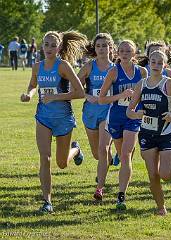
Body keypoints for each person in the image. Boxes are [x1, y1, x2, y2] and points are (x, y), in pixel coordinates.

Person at [20, 30, 87, 213]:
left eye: (52, 45)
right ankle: (47, 202)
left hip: (63, 118)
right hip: (43, 117)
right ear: (42, 46)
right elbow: (33, 84)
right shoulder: (37, 66)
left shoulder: (63, 66)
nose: (49, 48)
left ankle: (76, 149)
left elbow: (80, 92)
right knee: (45, 158)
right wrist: (29, 94)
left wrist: (57, 96)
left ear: (59, 48)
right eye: (46, 44)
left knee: (62, 163)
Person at [127, 50, 171, 215]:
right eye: (153, 62)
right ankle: (161, 208)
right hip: (147, 134)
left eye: (159, 63)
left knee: (165, 175)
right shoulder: (141, 84)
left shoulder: (168, 83)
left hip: (166, 133)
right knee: (153, 175)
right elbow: (129, 111)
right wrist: (136, 114)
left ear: (165, 66)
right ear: (149, 64)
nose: (155, 65)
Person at [98, 40, 147, 210]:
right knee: (121, 153)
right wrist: (121, 95)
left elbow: (147, 93)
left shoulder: (142, 72)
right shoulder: (113, 72)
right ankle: (119, 176)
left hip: (133, 116)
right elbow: (102, 98)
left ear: (134, 54)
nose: (125, 54)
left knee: (126, 154)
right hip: (117, 116)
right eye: (122, 51)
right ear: (117, 53)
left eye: (129, 51)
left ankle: (121, 195)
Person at [77, 33, 116, 201]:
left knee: (103, 149)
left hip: (109, 111)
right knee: (97, 154)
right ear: (95, 48)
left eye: (104, 46)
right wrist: (87, 96)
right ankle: (106, 163)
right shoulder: (88, 67)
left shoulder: (116, 68)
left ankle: (100, 188)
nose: (101, 49)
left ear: (110, 48)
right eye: (98, 46)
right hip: (90, 112)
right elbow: (75, 85)